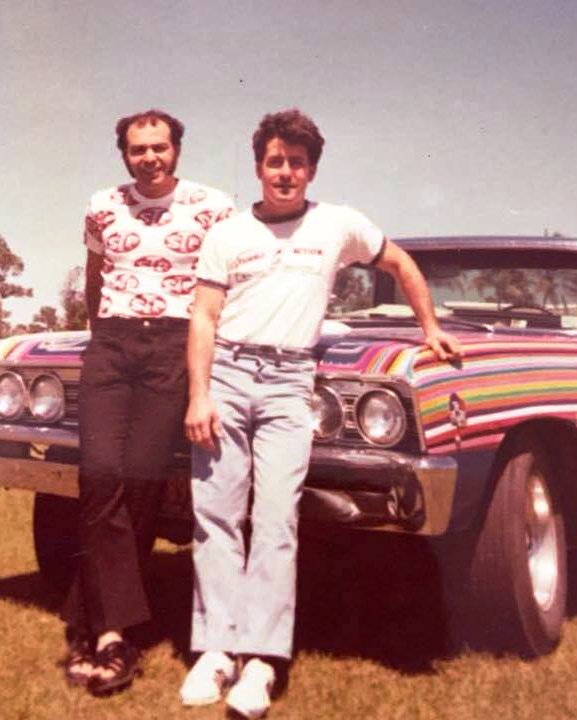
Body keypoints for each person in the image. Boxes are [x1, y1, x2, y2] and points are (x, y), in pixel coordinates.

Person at [179, 108, 461, 718]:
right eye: (275, 162)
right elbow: (202, 317)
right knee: (217, 515)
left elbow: (400, 264)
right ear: (258, 167)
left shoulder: (339, 224)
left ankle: (261, 661)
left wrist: (431, 328)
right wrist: (199, 395)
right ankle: (216, 649)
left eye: (297, 163)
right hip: (226, 375)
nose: (286, 173)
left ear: (311, 170)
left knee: (277, 519)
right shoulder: (227, 233)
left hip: (288, 384)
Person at [60, 109, 234, 696]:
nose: (150, 157)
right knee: (97, 471)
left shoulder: (213, 206)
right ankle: (115, 634)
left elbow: (229, 283)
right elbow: (92, 275)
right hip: (111, 342)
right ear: (124, 155)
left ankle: (97, 622)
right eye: (138, 149)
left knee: (139, 477)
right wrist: (102, 334)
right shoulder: (102, 204)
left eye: (160, 147)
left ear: (177, 149)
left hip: (173, 344)